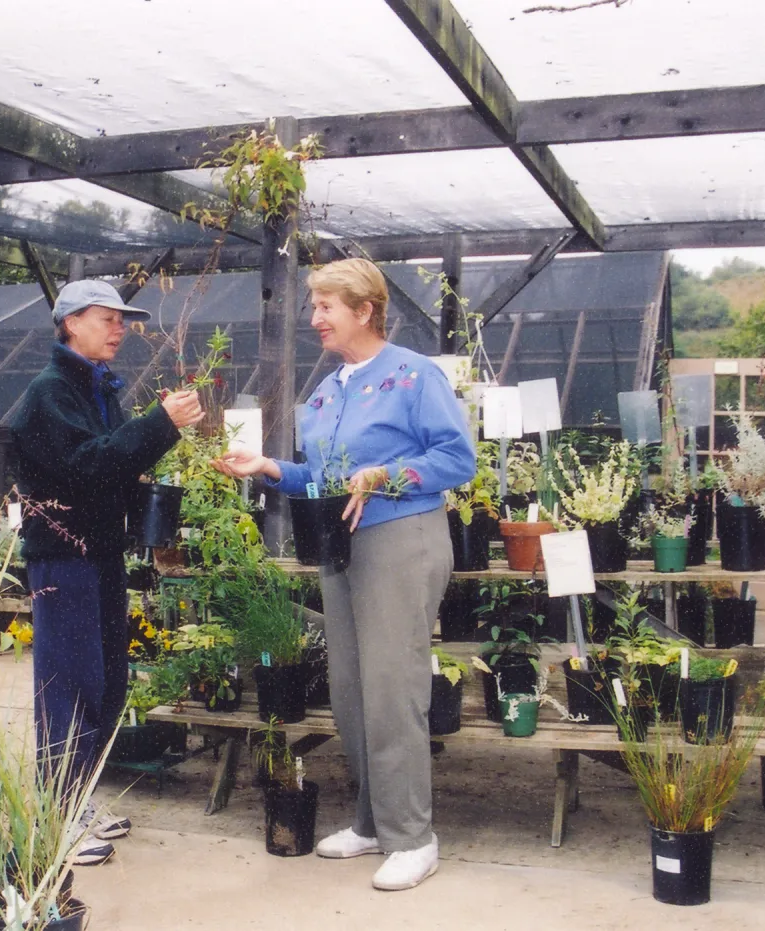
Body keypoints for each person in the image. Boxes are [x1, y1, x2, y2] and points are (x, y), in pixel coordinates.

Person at [214, 258, 475, 891]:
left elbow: (457, 458)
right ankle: (372, 822)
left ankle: (414, 837)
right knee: (352, 691)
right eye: (313, 305)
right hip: (341, 544)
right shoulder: (329, 390)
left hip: (400, 538)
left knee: (393, 690)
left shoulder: (414, 376)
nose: (314, 318)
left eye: (326, 306)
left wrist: (388, 475)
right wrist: (268, 467)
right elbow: (323, 478)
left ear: (365, 309)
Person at [13, 279, 203, 865]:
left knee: (105, 681)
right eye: (107, 319)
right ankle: (56, 817)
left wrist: (144, 481)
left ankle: (77, 798)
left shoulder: (95, 391)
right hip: (64, 558)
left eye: (124, 320)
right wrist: (160, 424)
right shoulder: (50, 395)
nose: (120, 328)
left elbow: (109, 466)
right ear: (70, 323)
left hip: (99, 554)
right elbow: (87, 466)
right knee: (67, 683)